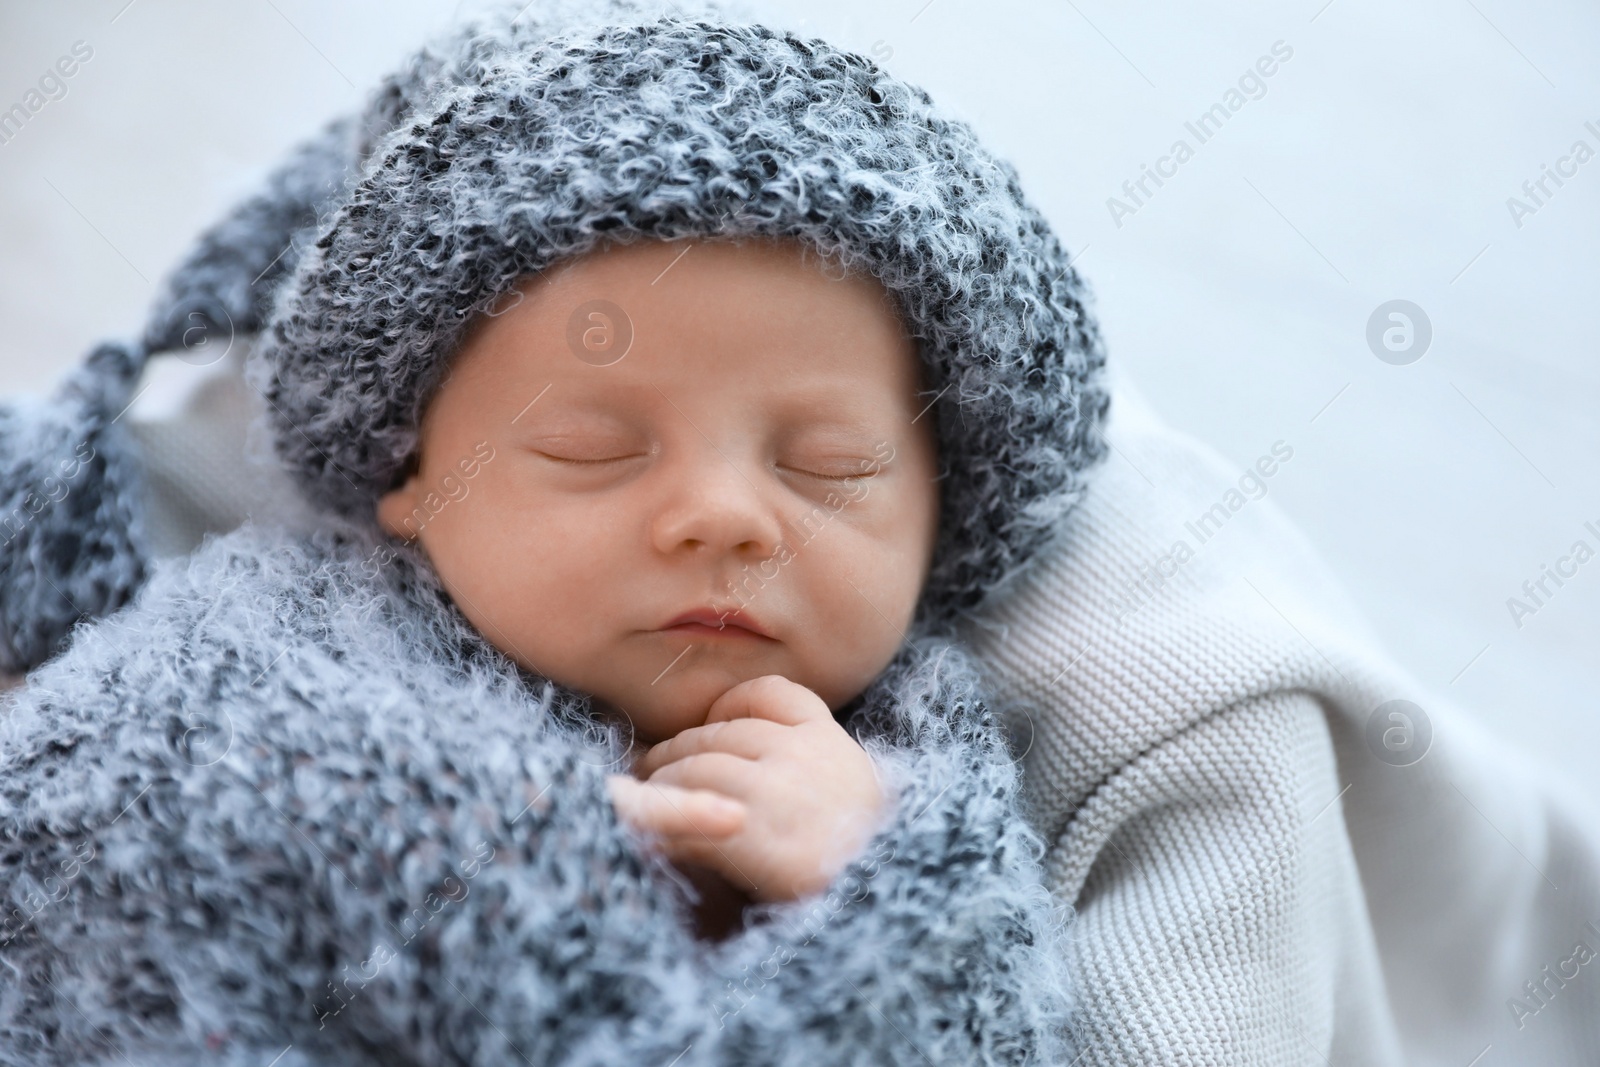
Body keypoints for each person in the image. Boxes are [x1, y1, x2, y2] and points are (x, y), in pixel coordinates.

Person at [0, 2, 1105, 1062]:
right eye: (592, 448)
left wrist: (883, 887)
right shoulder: (238, 678)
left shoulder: (921, 790)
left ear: (941, 514)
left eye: (831, 467)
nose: (721, 515)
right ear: (411, 469)